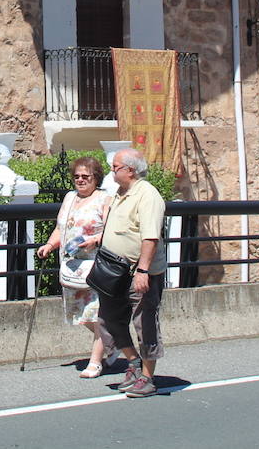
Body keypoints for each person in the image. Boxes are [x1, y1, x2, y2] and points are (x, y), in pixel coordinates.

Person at [97, 147, 167, 398]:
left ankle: (148, 377)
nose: (112, 171)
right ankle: (133, 362)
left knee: (144, 323)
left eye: (115, 167)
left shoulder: (147, 195)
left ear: (130, 170)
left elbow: (150, 237)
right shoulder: (120, 193)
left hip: (139, 270)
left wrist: (143, 271)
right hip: (115, 270)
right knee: (108, 319)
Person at [35, 155, 114, 377]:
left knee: (97, 313)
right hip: (71, 266)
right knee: (79, 314)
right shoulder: (70, 198)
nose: (80, 180)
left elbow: (111, 229)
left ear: (95, 178)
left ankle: (95, 362)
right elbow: (61, 228)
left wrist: (95, 240)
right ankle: (112, 341)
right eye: (77, 176)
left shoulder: (104, 199)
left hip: (95, 266)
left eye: (86, 176)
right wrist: (50, 245)